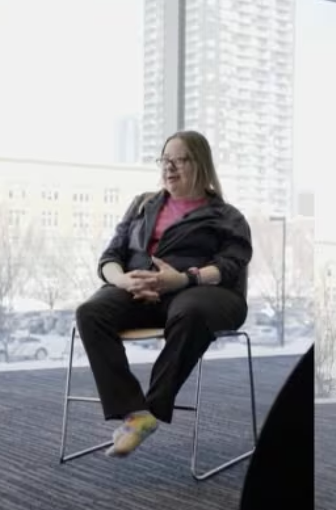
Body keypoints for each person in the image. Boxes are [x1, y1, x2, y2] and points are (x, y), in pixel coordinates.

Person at [75, 130, 253, 458]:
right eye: (164, 160)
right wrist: (124, 281)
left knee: (190, 312)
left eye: (179, 159)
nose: (169, 167)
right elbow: (109, 257)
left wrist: (182, 279)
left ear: (200, 163)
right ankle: (135, 413)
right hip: (136, 288)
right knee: (90, 312)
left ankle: (154, 407)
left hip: (201, 292)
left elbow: (230, 265)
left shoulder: (227, 216)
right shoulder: (143, 204)